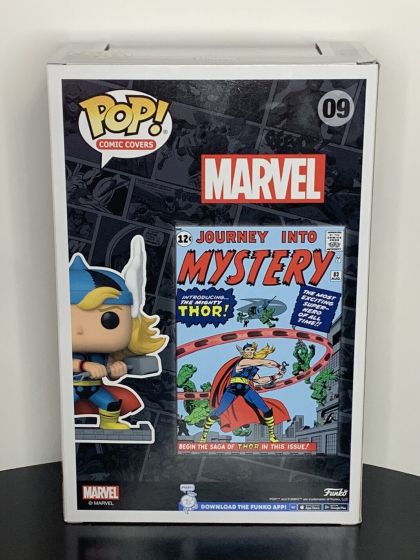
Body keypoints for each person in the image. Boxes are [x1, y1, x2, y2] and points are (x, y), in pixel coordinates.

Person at [70, 235, 167, 430]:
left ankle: (109, 423)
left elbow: (111, 372)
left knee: (112, 403)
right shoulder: (66, 354)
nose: (80, 330)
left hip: (94, 389)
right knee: (59, 406)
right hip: (69, 389)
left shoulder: (103, 354)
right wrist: (85, 365)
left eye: (110, 320)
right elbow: (65, 364)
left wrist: (117, 369)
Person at [200, 342, 290, 443]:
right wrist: (278, 365)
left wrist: (277, 376)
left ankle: (272, 436)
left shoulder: (251, 367)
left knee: (266, 410)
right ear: (243, 352)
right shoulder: (242, 362)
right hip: (233, 389)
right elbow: (263, 362)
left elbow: (260, 380)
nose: (250, 352)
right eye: (248, 350)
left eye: (252, 350)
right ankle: (204, 436)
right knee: (219, 412)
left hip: (246, 389)